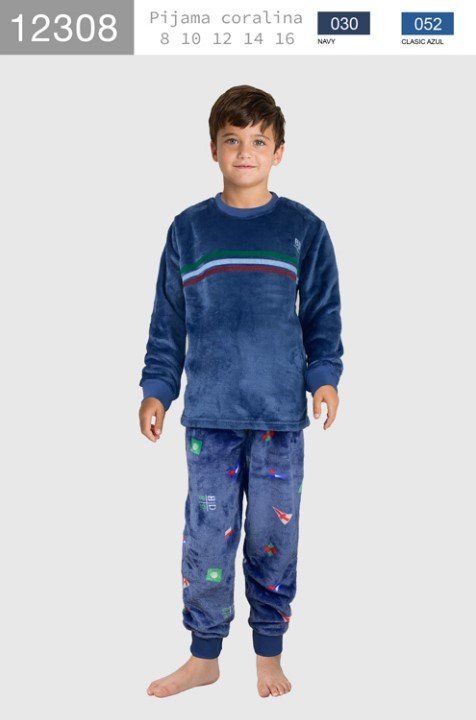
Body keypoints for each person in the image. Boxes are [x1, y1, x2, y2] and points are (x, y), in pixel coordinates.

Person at [139, 84, 344, 698]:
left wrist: (324, 378)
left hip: (279, 416)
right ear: (214, 149)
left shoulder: (303, 229)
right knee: (207, 537)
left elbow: (323, 315)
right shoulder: (188, 230)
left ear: (279, 152)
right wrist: (157, 389)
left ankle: (268, 653)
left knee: (273, 538)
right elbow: (167, 321)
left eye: (259, 141)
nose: (245, 152)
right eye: (233, 140)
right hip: (210, 416)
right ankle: (204, 655)